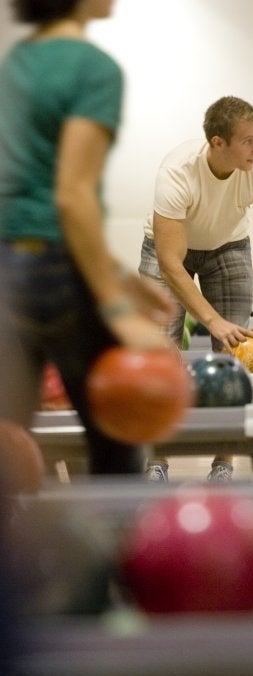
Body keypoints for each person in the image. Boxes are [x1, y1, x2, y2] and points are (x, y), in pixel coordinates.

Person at [0, 0, 176, 476]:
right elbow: (71, 199)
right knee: (120, 441)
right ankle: (115, 547)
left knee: (8, 445)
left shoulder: (15, 62)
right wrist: (117, 308)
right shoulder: (94, 69)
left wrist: (119, 272)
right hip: (52, 273)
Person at [139, 95, 253, 483]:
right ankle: (158, 460)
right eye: (248, 141)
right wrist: (210, 320)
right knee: (158, 353)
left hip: (228, 247)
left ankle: (224, 462)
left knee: (236, 351)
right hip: (167, 250)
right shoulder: (177, 171)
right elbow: (171, 261)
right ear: (218, 143)